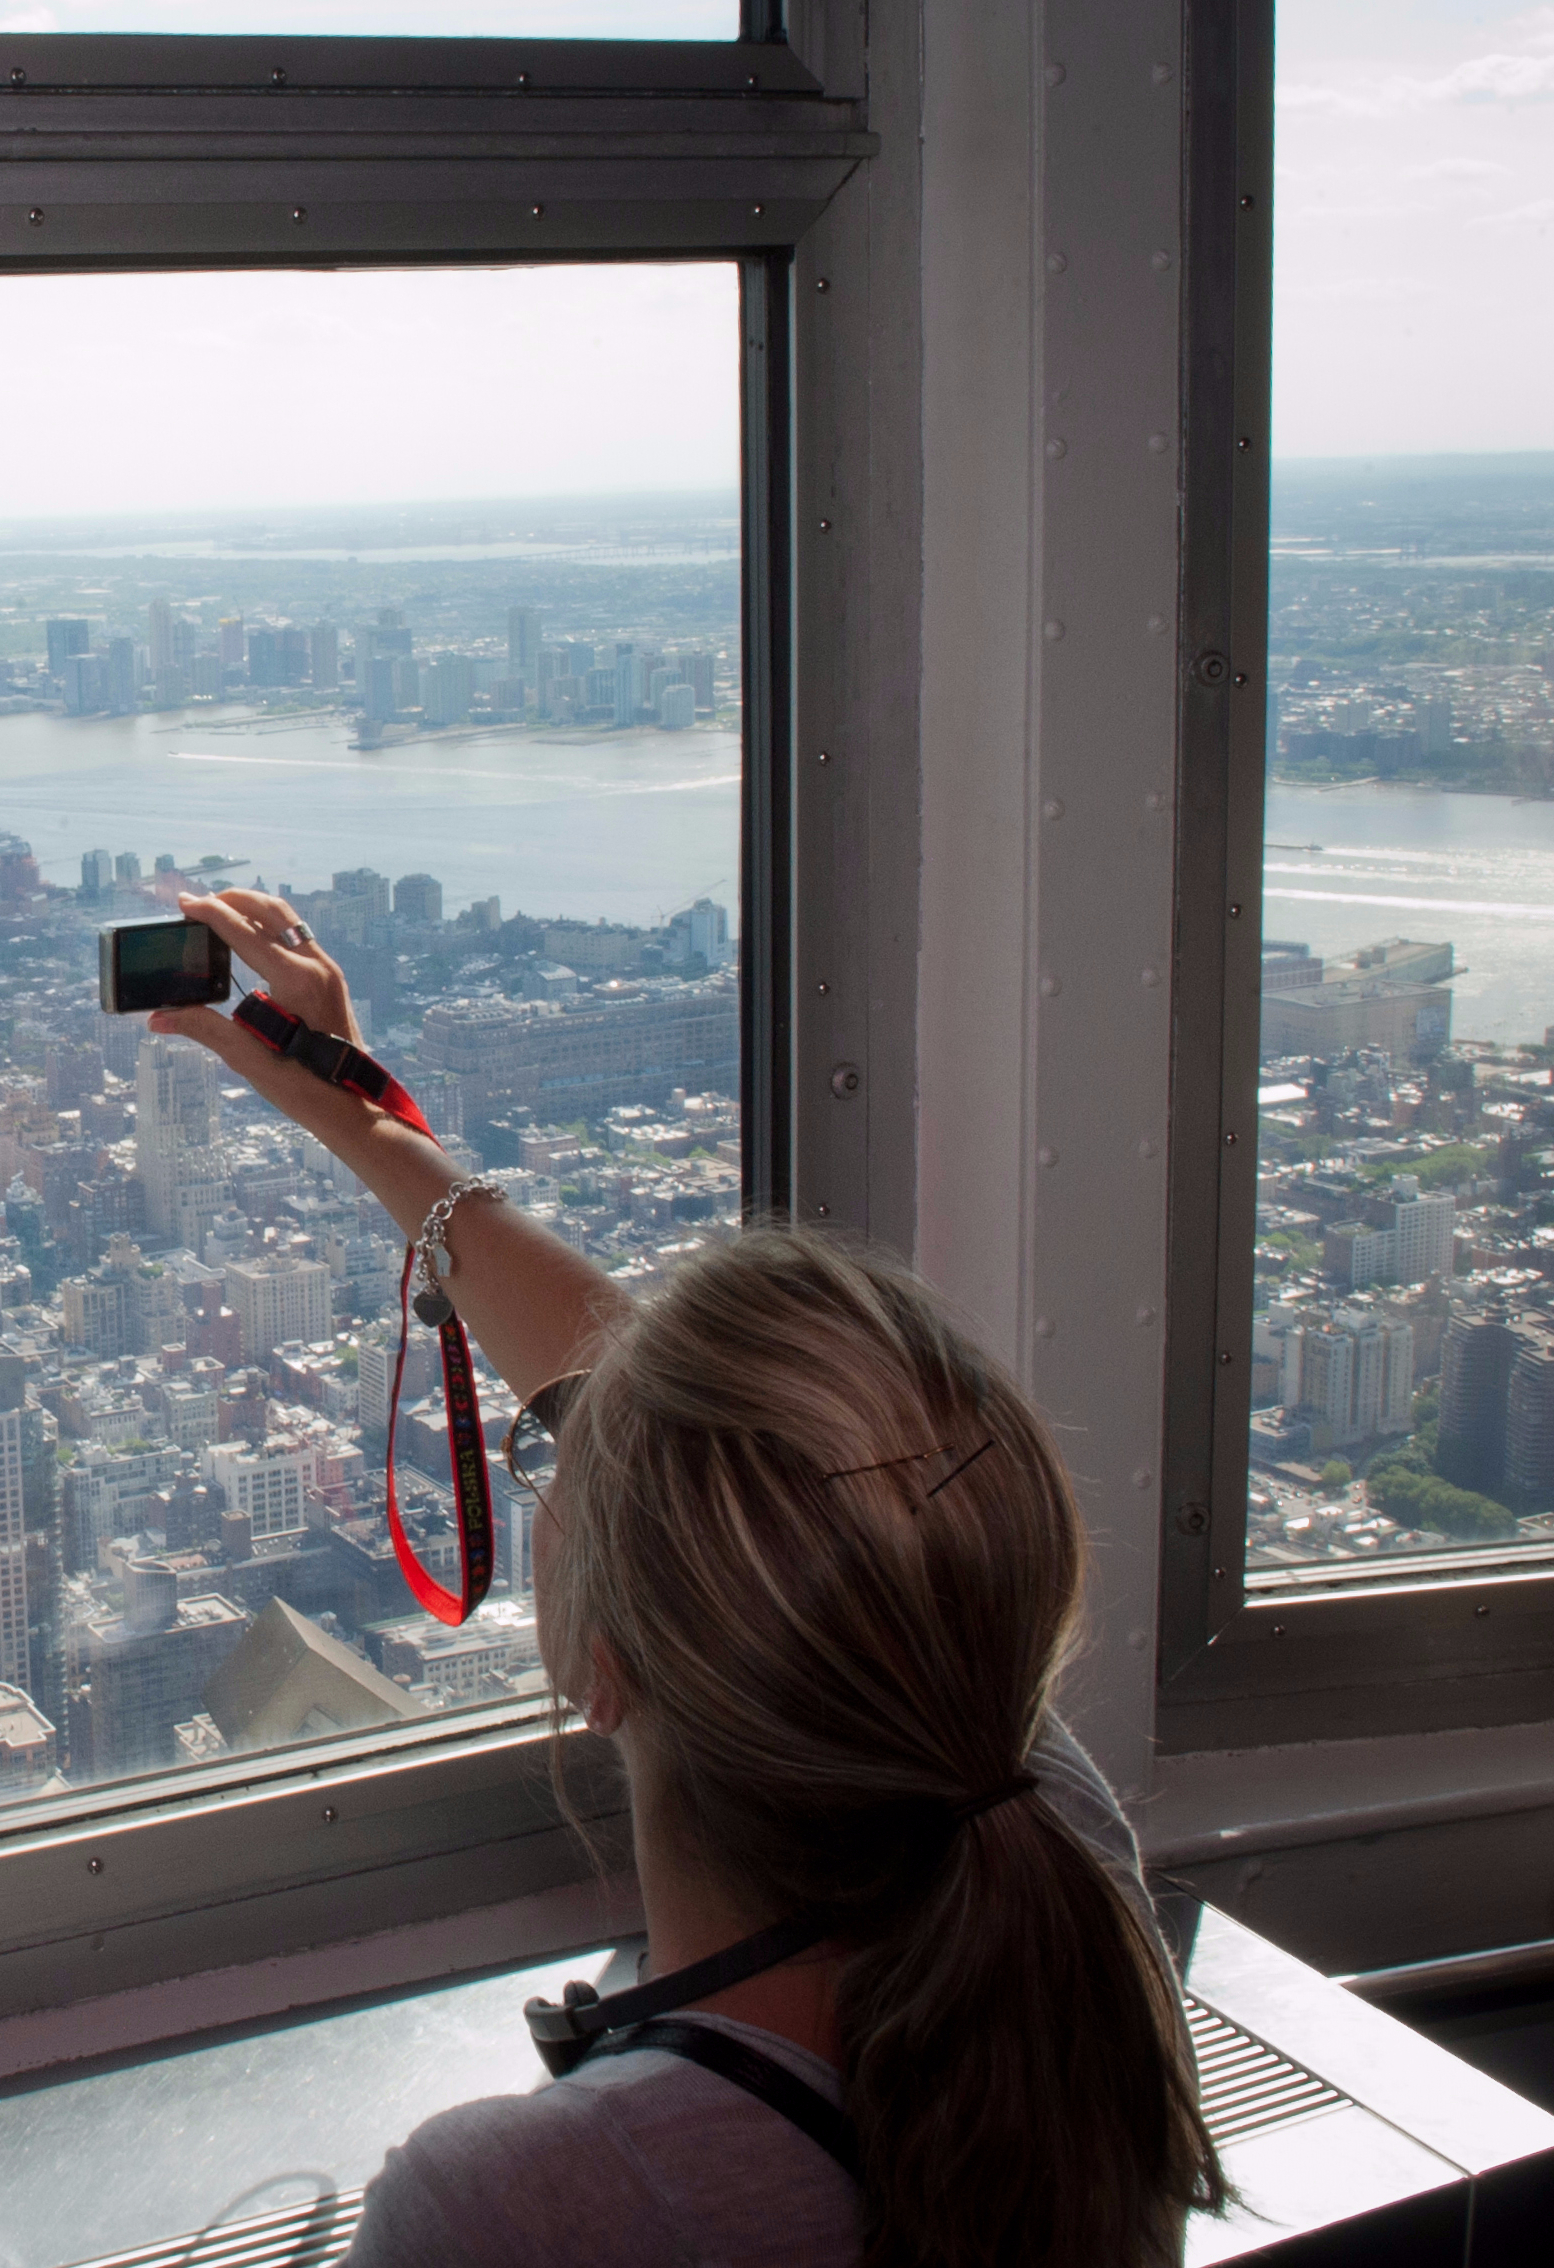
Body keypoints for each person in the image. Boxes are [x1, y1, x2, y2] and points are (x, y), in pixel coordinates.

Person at [147, 887, 1227, 2268]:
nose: (572, 1438)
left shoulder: (529, 2207)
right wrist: (365, 1119)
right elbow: (745, 1467)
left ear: (600, 1666)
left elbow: (709, 1448)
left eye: (568, 1480)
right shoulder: (1057, 1856)